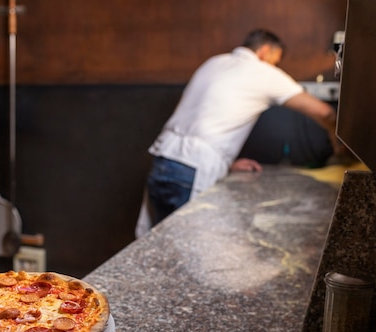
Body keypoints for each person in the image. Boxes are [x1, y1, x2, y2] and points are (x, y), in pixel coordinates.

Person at [136, 29, 342, 237]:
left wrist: (226, 163)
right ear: (264, 51)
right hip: (193, 168)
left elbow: (199, 120)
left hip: (164, 158)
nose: (274, 66)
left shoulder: (214, 63)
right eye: (275, 61)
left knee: (160, 244)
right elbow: (324, 112)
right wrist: (336, 140)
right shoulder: (263, 72)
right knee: (191, 248)